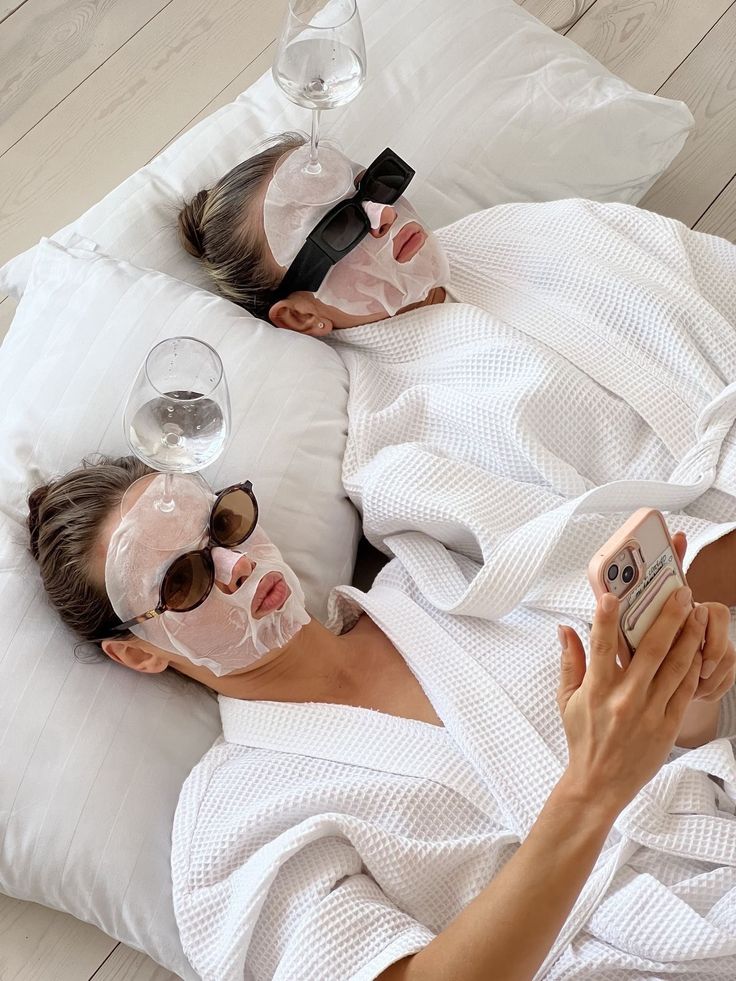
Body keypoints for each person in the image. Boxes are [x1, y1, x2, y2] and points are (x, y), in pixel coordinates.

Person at [28, 457, 736, 980]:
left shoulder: (432, 582)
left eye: (222, 523)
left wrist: (694, 684)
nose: (235, 565)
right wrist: (587, 795)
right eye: (183, 580)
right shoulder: (233, 828)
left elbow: (672, 758)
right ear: (137, 653)